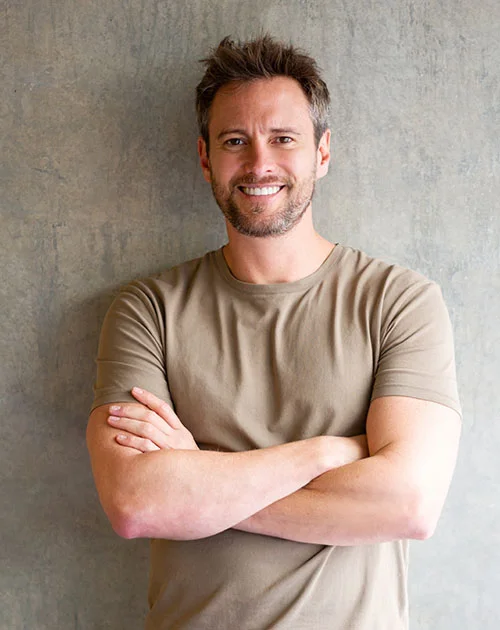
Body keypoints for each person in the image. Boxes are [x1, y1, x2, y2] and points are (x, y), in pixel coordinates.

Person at [86, 34, 461, 630]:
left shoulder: (399, 301)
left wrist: (200, 481)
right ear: (207, 158)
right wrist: (325, 453)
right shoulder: (147, 310)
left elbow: (409, 505)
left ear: (322, 152)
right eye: (235, 141)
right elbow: (137, 503)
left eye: (283, 138)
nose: (259, 163)